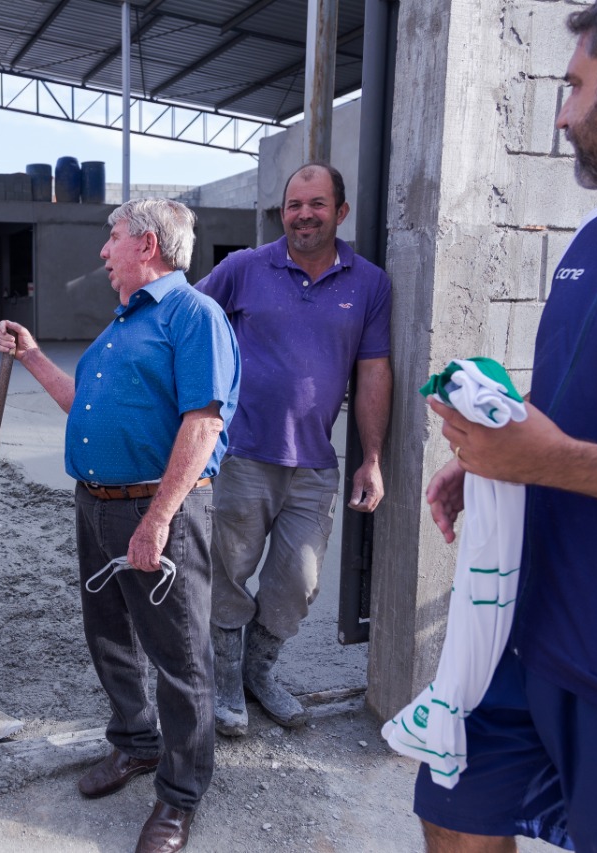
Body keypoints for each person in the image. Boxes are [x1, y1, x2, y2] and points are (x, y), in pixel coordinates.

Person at [416, 2, 597, 851]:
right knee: (448, 804)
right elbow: (592, 413)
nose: (564, 113)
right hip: (529, 639)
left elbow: (574, 451)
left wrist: (558, 459)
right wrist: (507, 464)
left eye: (575, 85)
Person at [0, 198, 239, 853]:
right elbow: (83, 407)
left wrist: (158, 519)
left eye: (112, 239)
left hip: (158, 507)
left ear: (148, 244)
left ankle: (180, 795)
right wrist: (34, 356)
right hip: (97, 503)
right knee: (108, 635)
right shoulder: (121, 328)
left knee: (181, 657)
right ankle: (135, 743)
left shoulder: (194, 316)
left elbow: (203, 422)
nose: (103, 252)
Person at [194, 162, 392, 734]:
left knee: (297, 583)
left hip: (314, 464)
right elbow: (191, 324)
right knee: (228, 570)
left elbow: (374, 371)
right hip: (241, 455)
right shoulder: (243, 269)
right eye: (294, 205)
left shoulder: (369, 284)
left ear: (341, 211)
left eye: (317, 204)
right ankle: (227, 681)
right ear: (282, 213)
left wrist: (372, 459)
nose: (303, 214)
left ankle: (259, 672)